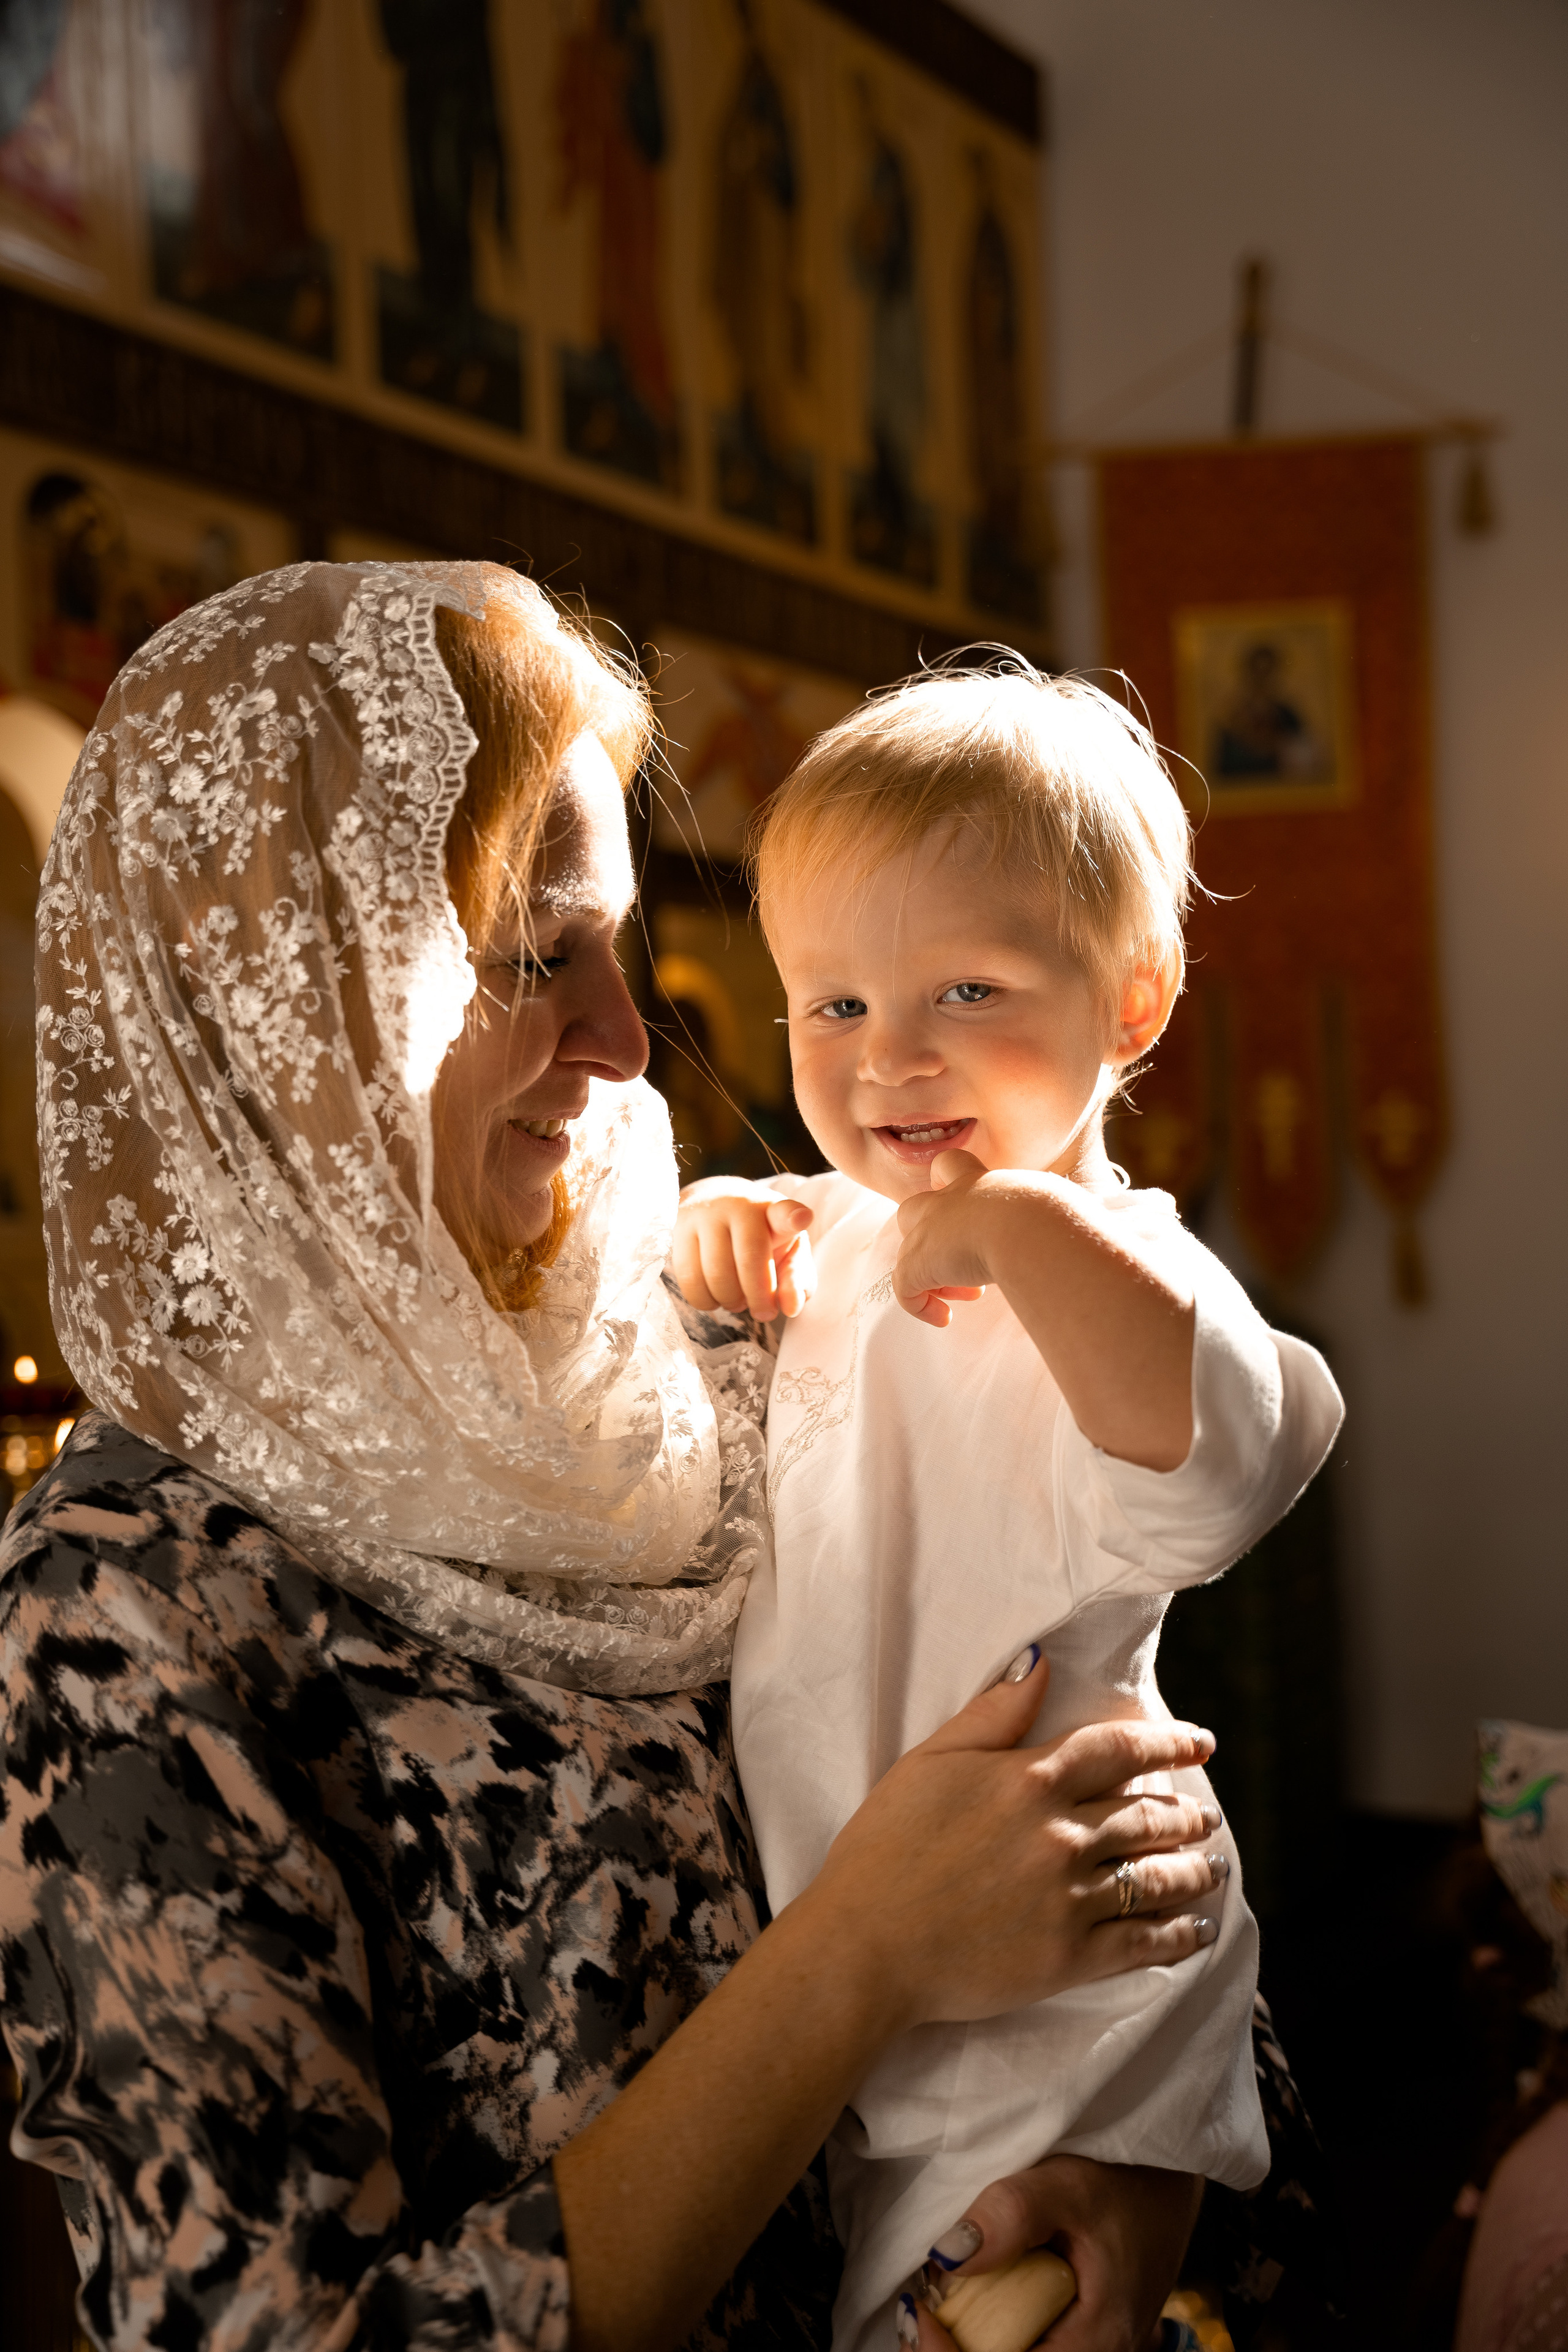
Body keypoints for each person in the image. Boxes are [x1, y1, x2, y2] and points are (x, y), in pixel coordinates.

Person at [1, 561, 1251, 2352]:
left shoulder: (730, 1357)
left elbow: (1104, 1833)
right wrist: (859, 1957)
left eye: (616, 944)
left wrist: (1137, 2173)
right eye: (531, 956)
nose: (623, 1031)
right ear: (289, 1001)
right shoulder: (128, 1593)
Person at [673, 662, 1345, 2350]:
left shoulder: (1124, 1278)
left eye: (962, 989)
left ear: (1130, 1002)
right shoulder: (825, 1233)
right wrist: (717, 1229)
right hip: (844, 1959)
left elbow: (1224, 1463)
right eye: (830, 1007)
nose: (887, 1059)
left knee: (996, 2302)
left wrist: (1026, 1236)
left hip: (1062, 1986)